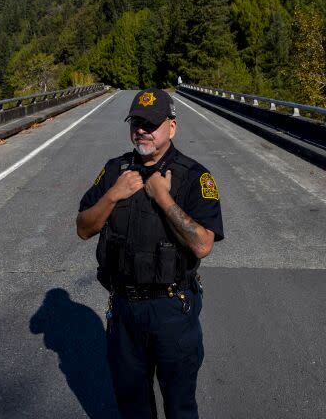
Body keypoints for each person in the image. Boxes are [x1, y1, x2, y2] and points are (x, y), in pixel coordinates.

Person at [76, 88, 224, 419]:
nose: (142, 129)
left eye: (151, 123)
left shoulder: (193, 177)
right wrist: (113, 195)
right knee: (132, 407)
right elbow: (83, 227)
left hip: (172, 310)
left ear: (172, 127)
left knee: (180, 407)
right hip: (124, 309)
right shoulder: (115, 170)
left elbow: (202, 244)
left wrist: (163, 198)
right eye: (137, 122)